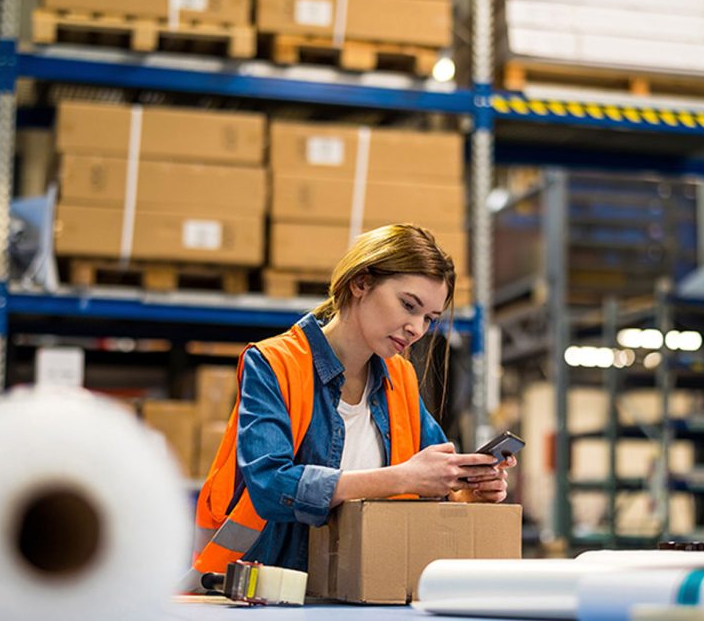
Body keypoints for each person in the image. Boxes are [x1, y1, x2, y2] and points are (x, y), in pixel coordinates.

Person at [189, 223, 517, 579]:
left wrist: (470, 490)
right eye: (408, 305)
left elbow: (434, 479)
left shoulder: (400, 379)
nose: (417, 329)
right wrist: (401, 478)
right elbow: (271, 486)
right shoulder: (273, 363)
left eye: (429, 318)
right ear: (360, 283)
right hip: (261, 587)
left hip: (360, 588)